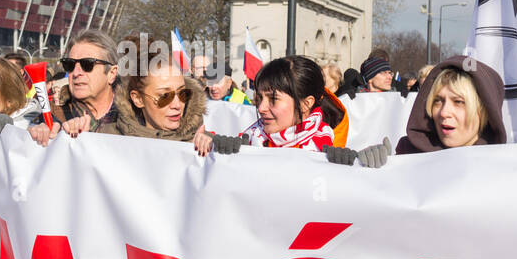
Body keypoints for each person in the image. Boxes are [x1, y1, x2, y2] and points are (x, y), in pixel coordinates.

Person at [195, 55, 348, 154]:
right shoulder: (253, 136)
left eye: (273, 99)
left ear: (305, 104)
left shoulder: (329, 152)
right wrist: (209, 142)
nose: (261, 108)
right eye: (260, 98)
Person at [396, 55, 506, 154]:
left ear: (484, 110)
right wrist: (384, 170)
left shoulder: (503, 165)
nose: (444, 113)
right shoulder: (408, 153)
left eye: (458, 102)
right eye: (438, 100)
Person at [98, 43, 205, 143]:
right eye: (165, 96)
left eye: (182, 93)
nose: (177, 105)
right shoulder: (106, 138)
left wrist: (217, 147)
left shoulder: (204, 141)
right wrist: (81, 139)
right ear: (138, 99)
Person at [30, 29, 122, 145]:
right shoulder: (51, 115)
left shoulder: (138, 115)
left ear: (111, 73)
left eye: (87, 64)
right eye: (70, 64)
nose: (76, 72)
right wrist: (37, 133)